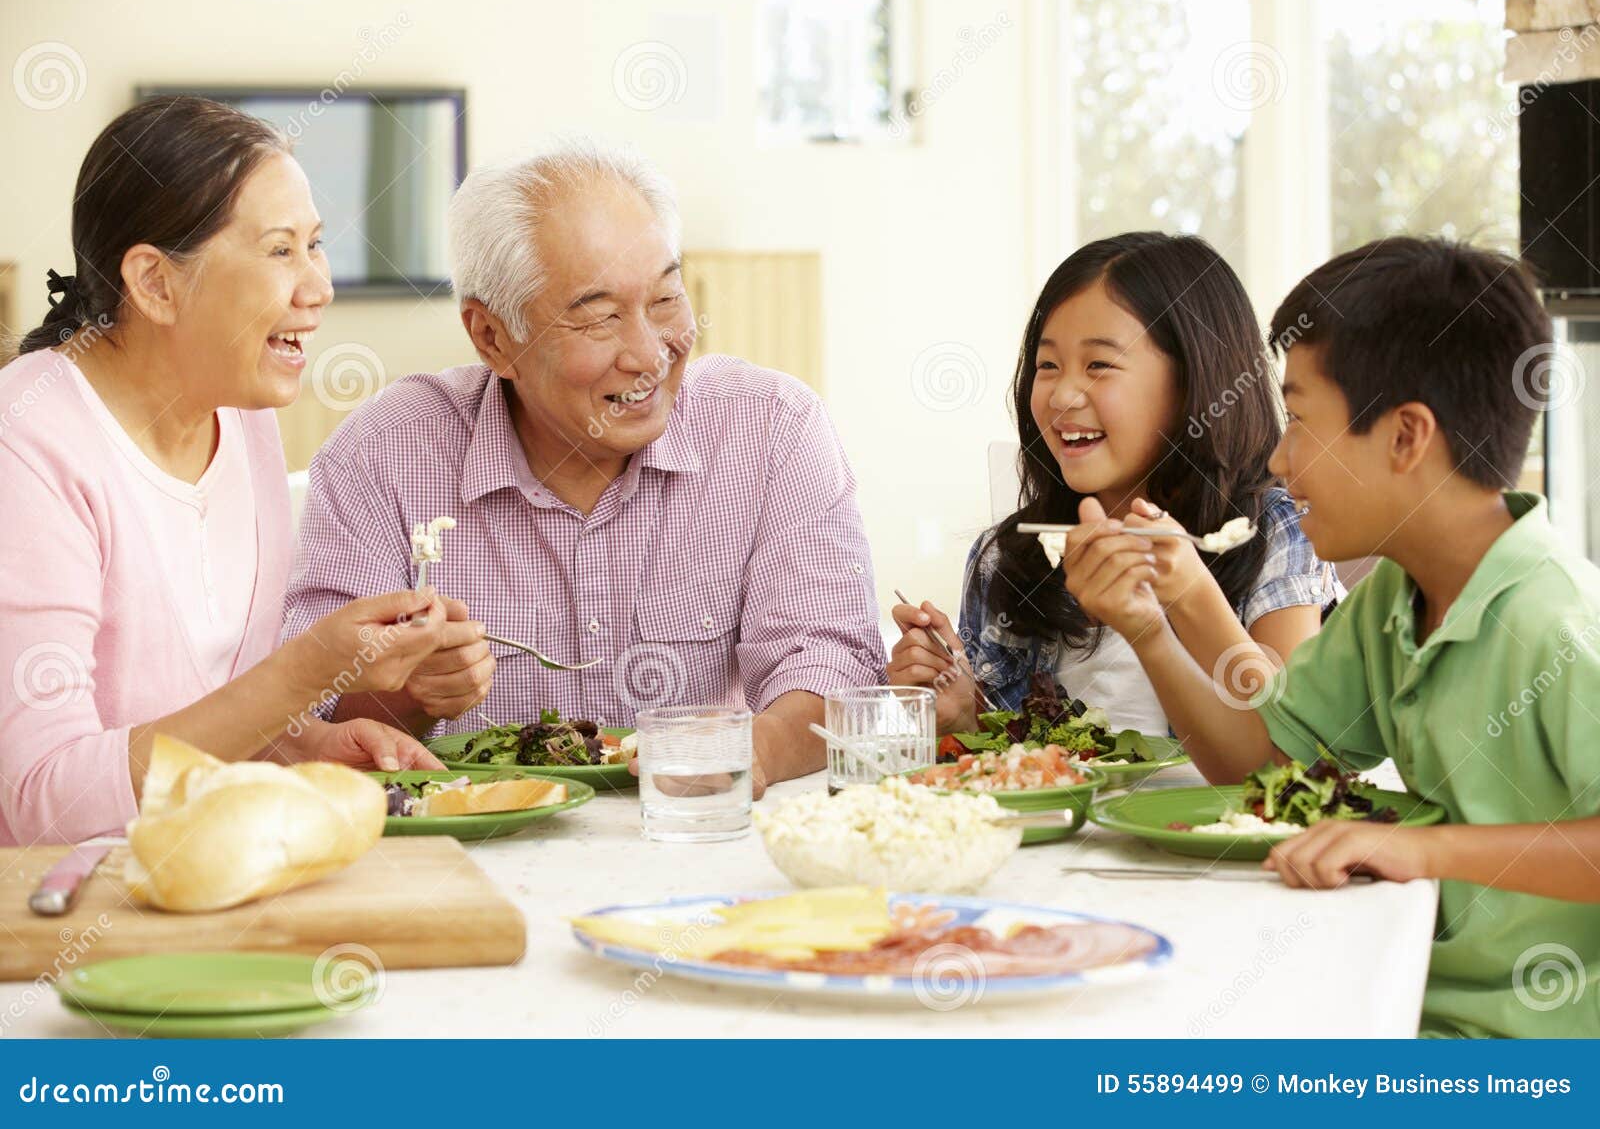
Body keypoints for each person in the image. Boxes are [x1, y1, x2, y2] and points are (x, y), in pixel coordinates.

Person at [1073, 236, 1600, 1038]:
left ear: (1404, 436)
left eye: (1301, 420)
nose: (1280, 460)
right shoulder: (1395, 597)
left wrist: (1429, 852)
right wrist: (1150, 630)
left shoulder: (1553, 621)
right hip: (1398, 999)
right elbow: (1260, 759)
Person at [282, 139, 885, 797]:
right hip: (476, 862)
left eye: (665, 301)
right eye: (600, 318)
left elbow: (834, 667)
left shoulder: (773, 429)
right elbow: (307, 729)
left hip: (700, 841)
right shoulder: (382, 457)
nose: (649, 354)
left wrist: (753, 751)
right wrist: (418, 695)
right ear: (492, 337)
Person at [0, 97, 473, 846]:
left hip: (200, 883)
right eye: (281, 251)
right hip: (56, 925)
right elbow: (41, 804)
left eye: (315, 246)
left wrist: (302, 746)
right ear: (155, 282)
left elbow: (201, 713)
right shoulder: (27, 442)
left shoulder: (243, 412)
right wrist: (307, 672)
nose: (318, 287)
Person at [887, 232, 1337, 736]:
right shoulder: (1005, 558)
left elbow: (1295, 733)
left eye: (1099, 365)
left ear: (1194, 379)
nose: (1061, 395)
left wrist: (1187, 597)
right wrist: (963, 715)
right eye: (1047, 365)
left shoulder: (1270, 531)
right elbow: (1015, 767)